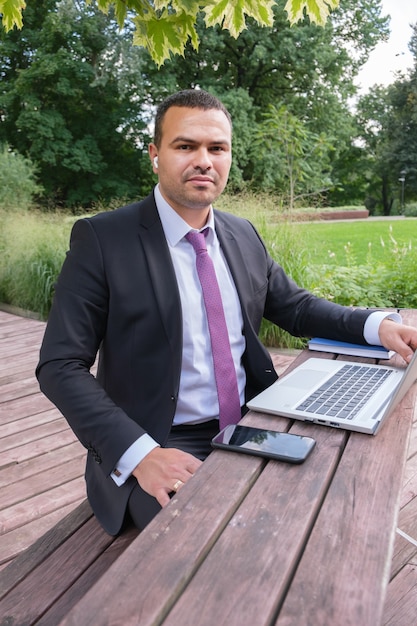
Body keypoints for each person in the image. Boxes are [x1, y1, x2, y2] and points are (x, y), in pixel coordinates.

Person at [36, 89, 417, 536]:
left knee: (333, 499)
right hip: (160, 439)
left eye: (217, 148)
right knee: (219, 536)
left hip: (252, 422)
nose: (204, 160)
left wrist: (379, 325)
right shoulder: (102, 240)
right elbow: (60, 366)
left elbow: (295, 308)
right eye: (186, 146)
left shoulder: (240, 233)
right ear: (155, 155)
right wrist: (141, 455)